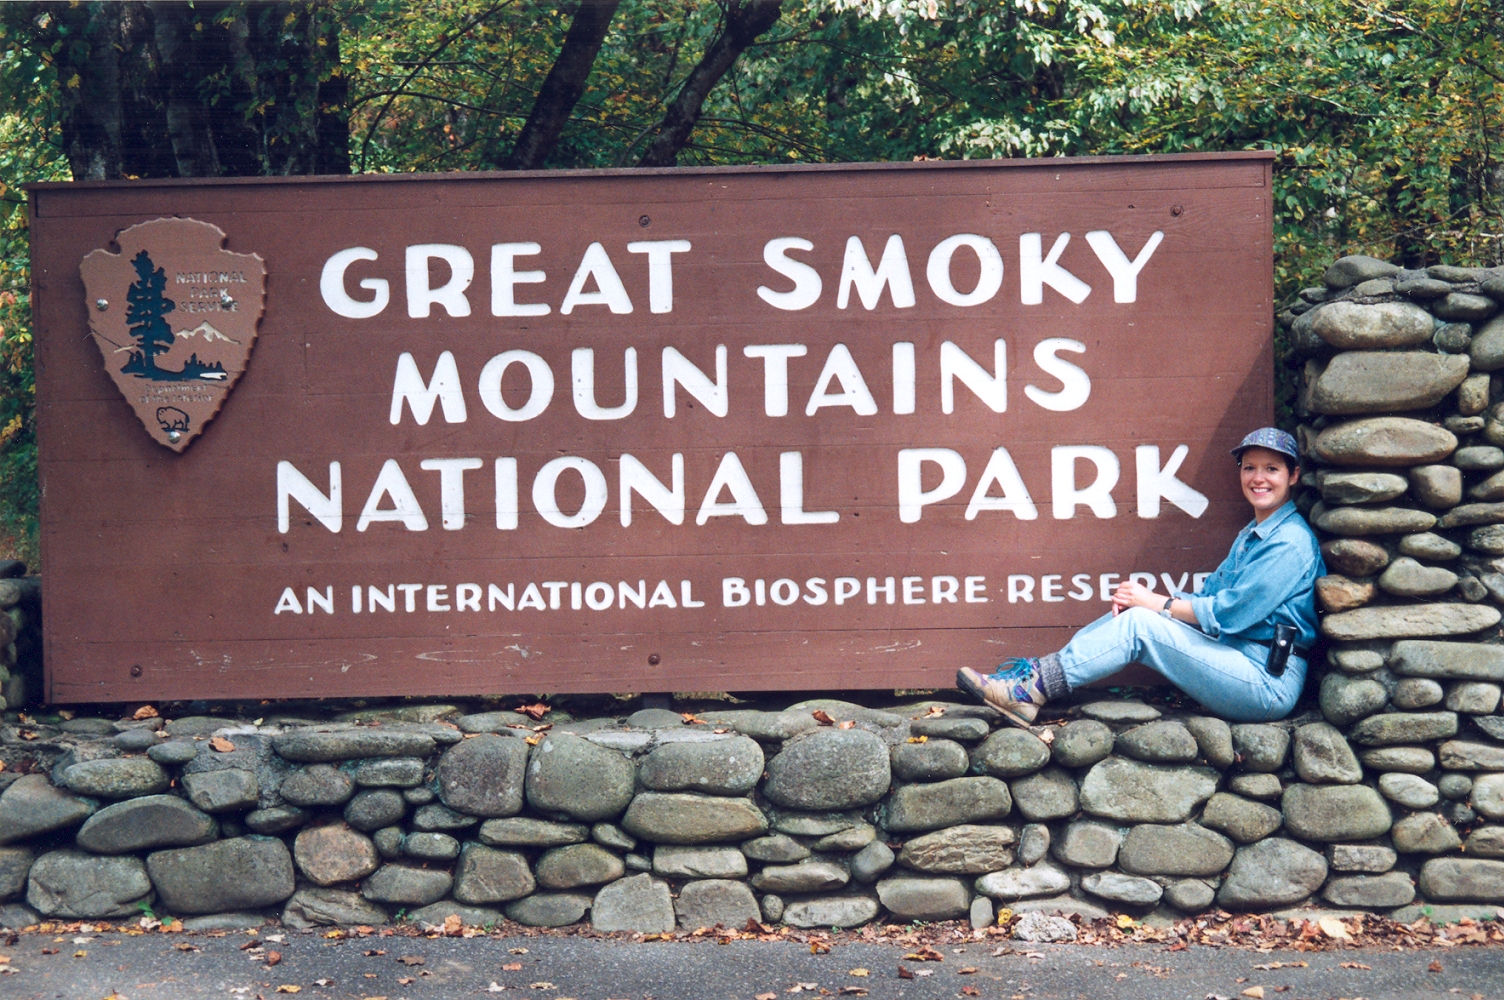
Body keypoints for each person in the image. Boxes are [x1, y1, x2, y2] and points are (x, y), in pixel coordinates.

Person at [957, 428, 1323, 728]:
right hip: (1236, 657)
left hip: (1266, 681)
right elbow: (1208, 595)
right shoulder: (1253, 534)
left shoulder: (1289, 542)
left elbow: (1230, 613)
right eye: (1250, 467)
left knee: (1140, 625)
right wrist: (1146, 603)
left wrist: (1155, 603)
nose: (1258, 478)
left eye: (1272, 469)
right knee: (1137, 614)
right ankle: (1032, 684)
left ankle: (1028, 691)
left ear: (1292, 476)